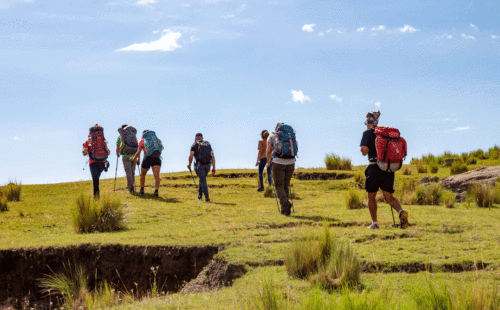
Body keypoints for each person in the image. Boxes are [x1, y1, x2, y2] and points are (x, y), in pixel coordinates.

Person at [360, 111, 409, 229]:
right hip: (388, 168)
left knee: (371, 196)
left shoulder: (367, 133)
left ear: (367, 122)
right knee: (389, 197)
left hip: (374, 168)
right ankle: (401, 212)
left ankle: (375, 223)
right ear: (377, 122)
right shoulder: (386, 134)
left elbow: (364, 151)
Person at [266, 122, 296, 216]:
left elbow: (268, 150)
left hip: (278, 162)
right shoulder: (290, 135)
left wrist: (268, 162)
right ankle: (285, 210)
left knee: (278, 185)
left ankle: (285, 204)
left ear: (276, 127)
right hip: (291, 162)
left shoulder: (272, 136)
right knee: (285, 186)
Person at [130, 130, 163, 197]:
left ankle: (142, 190)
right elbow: (161, 147)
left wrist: (134, 158)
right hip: (157, 158)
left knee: (143, 174)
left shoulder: (142, 141)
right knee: (156, 176)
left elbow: (138, 152)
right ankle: (156, 192)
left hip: (147, 158)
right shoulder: (156, 139)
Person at [82, 125, 110, 198]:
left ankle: (96, 198)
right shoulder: (103, 141)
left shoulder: (88, 141)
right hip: (102, 162)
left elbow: (84, 153)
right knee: (96, 179)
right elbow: (108, 152)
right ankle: (97, 196)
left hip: (93, 162)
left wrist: (84, 149)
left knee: (95, 180)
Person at [187, 133, 216, 202]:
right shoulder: (207, 144)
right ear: (202, 138)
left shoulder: (194, 144)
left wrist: (189, 164)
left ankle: (207, 198)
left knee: (203, 181)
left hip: (199, 165)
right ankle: (200, 196)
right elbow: (212, 156)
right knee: (202, 179)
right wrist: (214, 167)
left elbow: (191, 155)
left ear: (196, 138)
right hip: (208, 165)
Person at [116, 124, 138, 193]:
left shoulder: (120, 137)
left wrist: (118, 154)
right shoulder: (133, 136)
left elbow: (117, 148)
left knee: (128, 173)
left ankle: (131, 189)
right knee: (132, 172)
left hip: (125, 156)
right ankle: (132, 186)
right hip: (134, 155)